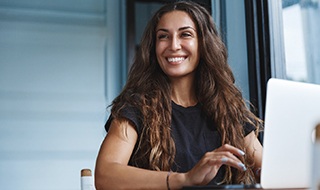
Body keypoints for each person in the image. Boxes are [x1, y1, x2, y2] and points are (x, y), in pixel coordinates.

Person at [95, 1, 263, 189]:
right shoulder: (136, 106)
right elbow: (105, 175)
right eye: (163, 37)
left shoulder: (227, 106)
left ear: (203, 43)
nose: (174, 45)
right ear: (153, 47)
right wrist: (184, 179)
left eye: (185, 34)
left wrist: (268, 173)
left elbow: (265, 167)